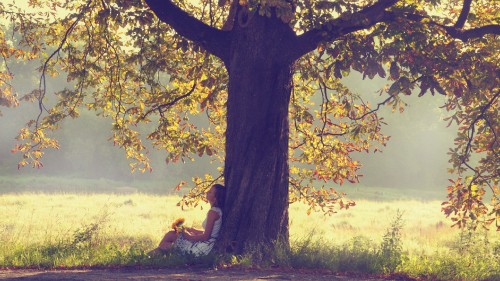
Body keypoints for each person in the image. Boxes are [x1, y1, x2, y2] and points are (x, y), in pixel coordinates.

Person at [148, 184, 225, 257]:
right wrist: (194, 230)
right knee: (171, 235)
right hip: (206, 244)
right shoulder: (216, 211)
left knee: (170, 236)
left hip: (204, 247)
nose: (207, 192)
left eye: (210, 192)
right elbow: (211, 233)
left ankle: (149, 256)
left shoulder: (213, 212)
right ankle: (155, 255)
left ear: (215, 198)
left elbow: (206, 237)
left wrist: (189, 236)